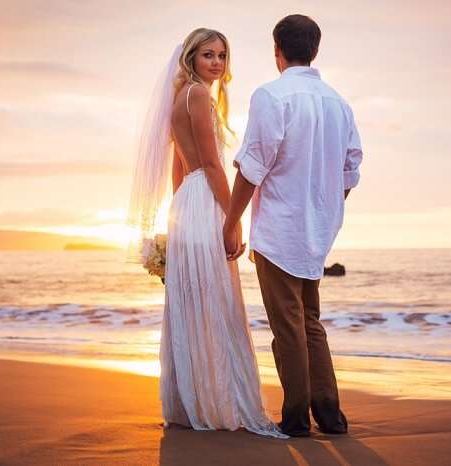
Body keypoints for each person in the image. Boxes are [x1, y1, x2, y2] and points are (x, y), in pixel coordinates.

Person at [127, 28, 286, 439]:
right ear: (191, 58)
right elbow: (213, 167)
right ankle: (218, 404)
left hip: (187, 202)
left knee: (196, 303)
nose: (217, 63)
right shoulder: (197, 96)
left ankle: (192, 403)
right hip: (205, 200)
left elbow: (179, 169)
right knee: (215, 301)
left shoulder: (180, 97)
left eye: (221, 56)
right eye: (208, 55)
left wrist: (179, 216)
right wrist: (232, 220)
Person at [223, 14, 363, 437]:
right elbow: (351, 167)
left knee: (288, 324)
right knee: (309, 321)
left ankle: (298, 418)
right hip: (317, 229)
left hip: (281, 227)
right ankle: (331, 416)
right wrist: (324, 208)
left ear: (277, 51)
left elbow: (252, 166)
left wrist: (231, 222)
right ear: (314, 50)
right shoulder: (339, 102)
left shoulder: (272, 95)